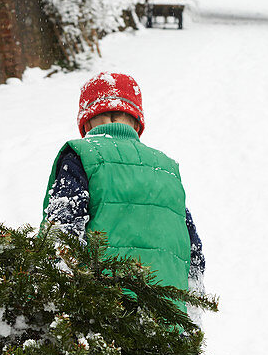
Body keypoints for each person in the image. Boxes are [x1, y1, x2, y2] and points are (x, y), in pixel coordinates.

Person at [42, 72, 205, 321]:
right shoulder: (168, 169)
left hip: (104, 318)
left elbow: (62, 234)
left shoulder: (82, 154)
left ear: (86, 124)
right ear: (137, 124)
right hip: (167, 322)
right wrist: (191, 318)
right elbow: (194, 252)